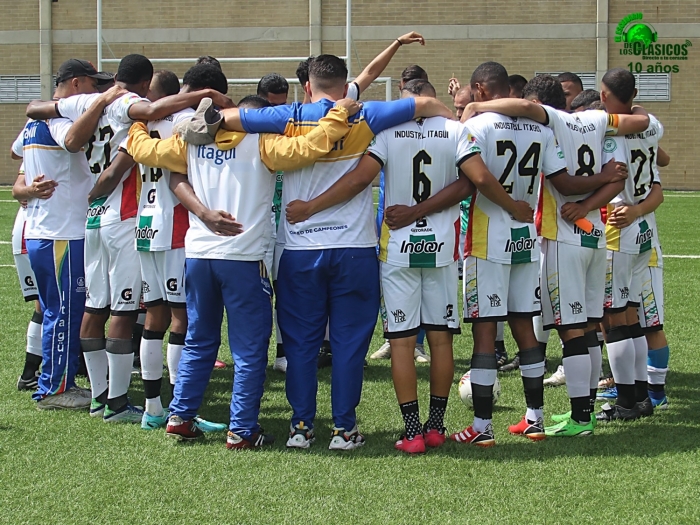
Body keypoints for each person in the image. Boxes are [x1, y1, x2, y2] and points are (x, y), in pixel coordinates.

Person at [204, 54, 453, 450]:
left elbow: (228, 119)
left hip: (301, 249)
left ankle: (300, 428)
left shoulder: (286, 115)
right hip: (354, 248)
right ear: (345, 85)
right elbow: (424, 104)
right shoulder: (367, 113)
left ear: (307, 85)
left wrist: (211, 120)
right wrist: (454, 119)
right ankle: (343, 429)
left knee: (300, 344)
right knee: (349, 343)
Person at [127, 93, 362, 448]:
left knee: (199, 338)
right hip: (243, 257)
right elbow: (312, 146)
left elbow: (142, 149)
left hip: (199, 255)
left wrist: (141, 116)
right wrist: (340, 112)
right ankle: (242, 429)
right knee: (249, 349)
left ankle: (181, 415)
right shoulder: (263, 142)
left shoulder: (191, 141)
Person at [26, 54, 232, 423]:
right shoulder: (131, 108)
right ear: (144, 83)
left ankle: (102, 398)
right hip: (127, 217)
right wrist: (204, 95)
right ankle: (124, 403)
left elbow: (36, 108)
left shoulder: (88, 102)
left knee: (100, 307)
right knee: (139, 313)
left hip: (100, 221)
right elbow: (148, 119)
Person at [285, 79, 472, 453]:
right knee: (440, 339)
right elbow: (471, 183)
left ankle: (412, 433)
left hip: (398, 247)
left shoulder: (386, 132)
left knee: (401, 345)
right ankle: (435, 427)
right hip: (442, 248)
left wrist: (309, 207)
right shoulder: (456, 129)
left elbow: (358, 179)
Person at [462, 72, 650, 436]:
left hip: (559, 238)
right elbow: (625, 158)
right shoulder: (596, 120)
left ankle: (579, 419)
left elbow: (562, 181)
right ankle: (583, 414)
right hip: (596, 235)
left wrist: (476, 105)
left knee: (570, 331)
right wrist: (589, 206)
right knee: (592, 329)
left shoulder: (552, 124)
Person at [451, 62, 567, 446]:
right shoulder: (539, 128)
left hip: (488, 239)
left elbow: (479, 178)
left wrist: (511, 205)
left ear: (481, 89)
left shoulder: (478, 125)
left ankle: (482, 427)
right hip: (525, 240)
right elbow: (561, 179)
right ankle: (535, 419)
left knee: (485, 332)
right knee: (523, 326)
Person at [12, 59, 116, 409]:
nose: (95, 93)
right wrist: (102, 103)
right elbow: (72, 142)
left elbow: (19, 173)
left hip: (47, 231)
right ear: (75, 84)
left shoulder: (32, 125)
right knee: (64, 312)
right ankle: (54, 389)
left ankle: (59, 380)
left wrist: (29, 190)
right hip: (60, 234)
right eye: (92, 86)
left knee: (60, 309)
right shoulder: (55, 120)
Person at [593, 69, 664, 422]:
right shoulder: (652, 125)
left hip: (618, 227)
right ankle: (640, 398)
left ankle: (624, 403)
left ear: (605, 96)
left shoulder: (608, 131)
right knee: (632, 315)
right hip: (642, 228)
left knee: (614, 317)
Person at [10, 165, 43, 391]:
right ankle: (30, 372)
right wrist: (31, 191)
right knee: (46, 304)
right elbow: (17, 189)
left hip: (28, 231)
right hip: (35, 232)